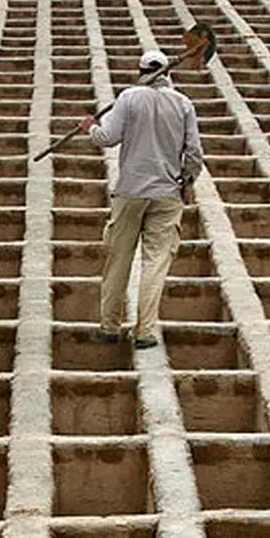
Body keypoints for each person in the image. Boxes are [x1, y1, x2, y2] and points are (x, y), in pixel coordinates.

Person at [80, 50, 204, 350]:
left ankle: (109, 326)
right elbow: (194, 154)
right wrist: (187, 182)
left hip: (131, 192)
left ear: (141, 70)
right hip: (167, 194)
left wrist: (90, 128)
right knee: (155, 264)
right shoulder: (183, 103)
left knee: (118, 260)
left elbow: (107, 138)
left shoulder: (129, 97)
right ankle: (145, 331)